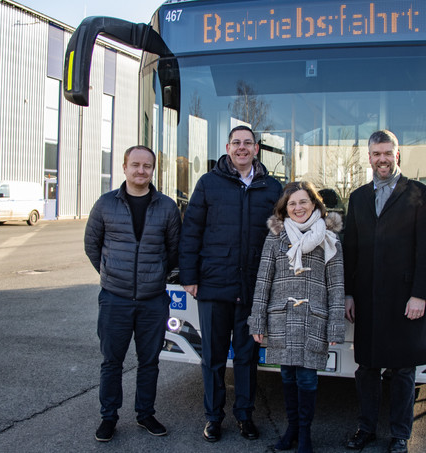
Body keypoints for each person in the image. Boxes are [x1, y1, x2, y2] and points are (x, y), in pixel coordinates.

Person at [179, 125, 283, 442]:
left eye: (247, 143)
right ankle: (213, 418)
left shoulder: (272, 187)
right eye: (236, 143)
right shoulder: (209, 183)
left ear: (256, 149)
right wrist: (189, 276)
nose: (242, 148)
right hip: (213, 286)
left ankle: (245, 416)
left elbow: (281, 237)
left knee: (246, 357)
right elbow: (191, 231)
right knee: (212, 357)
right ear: (228, 148)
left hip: (253, 288)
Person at [343, 130, 426, 453]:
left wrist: (420, 295)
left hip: (405, 299)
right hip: (368, 298)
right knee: (367, 368)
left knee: (402, 370)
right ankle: (366, 428)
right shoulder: (357, 198)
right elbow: (351, 249)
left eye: (387, 153)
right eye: (376, 154)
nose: (382, 159)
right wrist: (348, 293)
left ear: (397, 155)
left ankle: (400, 434)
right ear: (369, 157)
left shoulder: (420, 195)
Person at [84, 145, 181, 442]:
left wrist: (157, 277)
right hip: (115, 298)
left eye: (147, 166)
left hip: (153, 300)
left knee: (149, 361)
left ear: (154, 170)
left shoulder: (166, 207)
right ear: (124, 167)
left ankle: (145, 414)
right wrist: (110, 273)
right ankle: (108, 417)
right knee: (112, 362)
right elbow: (92, 245)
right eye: (135, 165)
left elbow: (174, 250)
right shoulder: (105, 204)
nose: (141, 170)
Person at [248, 181, 346, 453]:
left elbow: (336, 286)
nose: (298, 207)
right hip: (281, 317)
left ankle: (304, 434)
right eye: (292, 203)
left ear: (314, 204)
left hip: (314, 319)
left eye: (303, 202)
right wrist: (257, 320)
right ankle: (292, 429)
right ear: (285, 208)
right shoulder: (275, 237)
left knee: (307, 379)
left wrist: (335, 327)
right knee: (287, 377)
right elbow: (263, 279)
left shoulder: (329, 238)